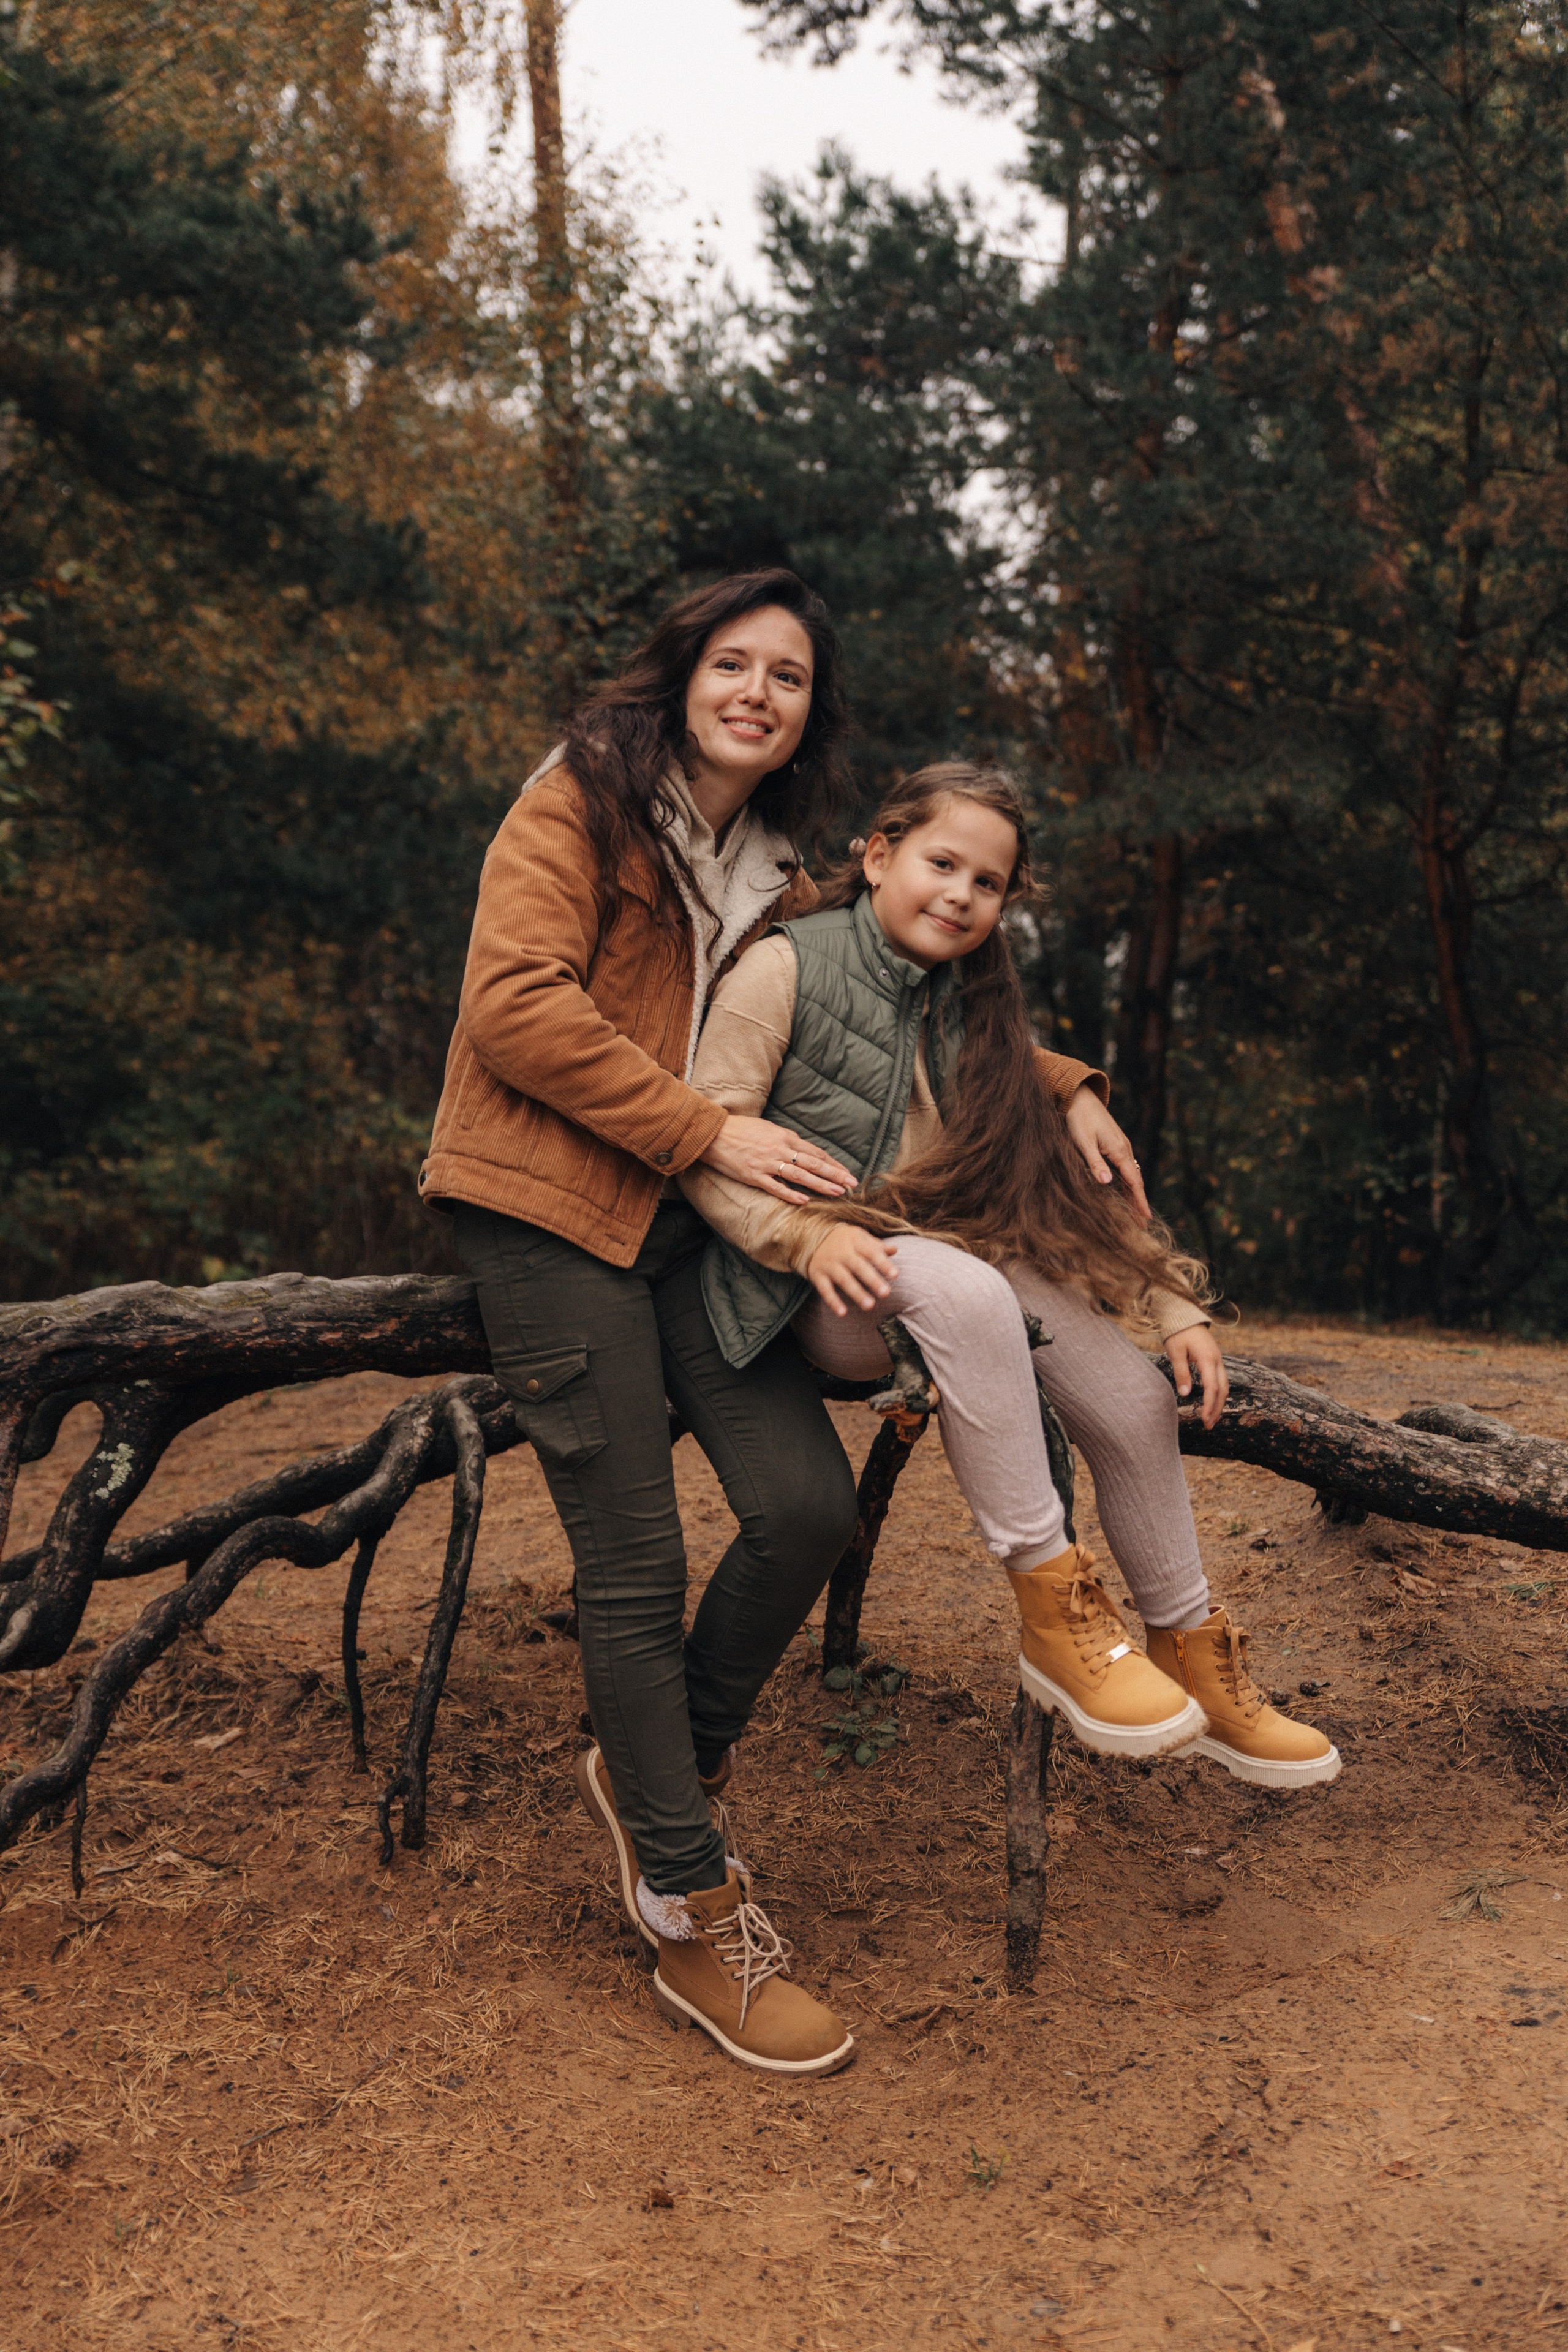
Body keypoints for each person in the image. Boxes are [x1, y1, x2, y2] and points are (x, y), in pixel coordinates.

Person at [421, 580, 1159, 2078]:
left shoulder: (768, 860)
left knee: (806, 1508)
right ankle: (687, 1901)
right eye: (732, 663)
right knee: (637, 1562)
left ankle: (658, 1775)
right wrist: (705, 1128)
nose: (757, 692)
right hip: (548, 1210)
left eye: (789, 676)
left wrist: (1064, 1081)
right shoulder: (577, 805)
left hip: (683, 1229)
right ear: (681, 675)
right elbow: (513, 1010)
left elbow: (896, 969)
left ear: (809, 712)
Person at [680, 761, 1340, 1789]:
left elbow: (1054, 1194)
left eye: (987, 884)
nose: (961, 895)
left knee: (1132, 1398)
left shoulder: (976, 1009)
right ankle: (1053, 1616)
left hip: (944, 1263)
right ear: (879, 854)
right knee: (969, 1285)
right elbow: (706, 1146)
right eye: (942, 864)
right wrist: (806, 1240)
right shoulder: (785, 968)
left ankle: (1190, 1653)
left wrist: (1170, 1305)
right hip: (808, 1285)